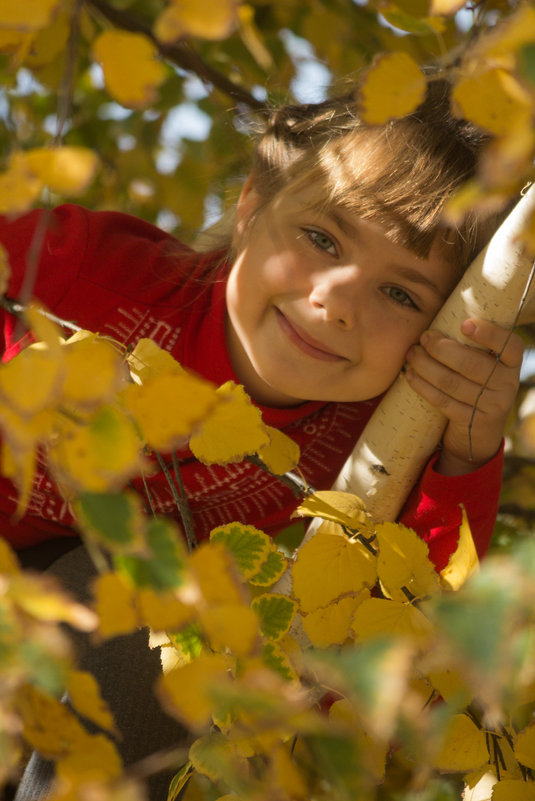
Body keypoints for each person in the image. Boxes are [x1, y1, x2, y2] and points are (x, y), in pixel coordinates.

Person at [1, 76, 524, 798]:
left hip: (65, 625)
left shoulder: (357, 440)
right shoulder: (86, 274)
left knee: (167, 633)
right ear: (251, 206)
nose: (334, 299)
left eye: (400, 293)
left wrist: (465, 450)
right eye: (320, 237)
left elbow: (393, 655)